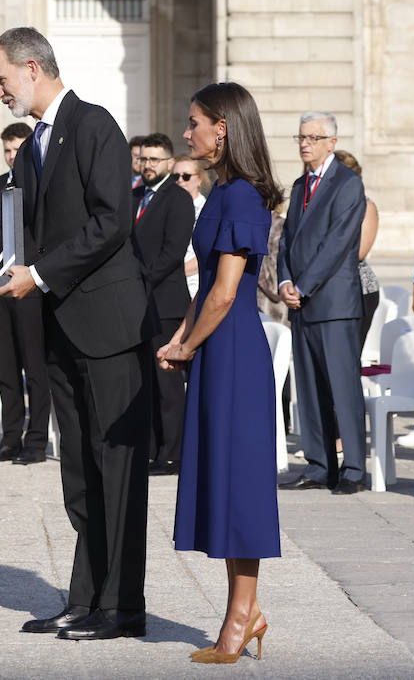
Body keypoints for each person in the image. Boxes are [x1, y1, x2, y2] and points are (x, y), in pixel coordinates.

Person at [0, 27, 151, 641]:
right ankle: (85, 600)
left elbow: (111, 222)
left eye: (0, 79)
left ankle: (123, 607)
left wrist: (40, 273)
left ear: (31, 68)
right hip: (60, 331)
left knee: (117, 467)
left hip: (107, 327)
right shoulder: (29, 153)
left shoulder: (95, 126)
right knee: (79, 469)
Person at [158, 81, 281, 664]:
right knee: (224, 481)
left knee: (240, 486)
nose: (188, 132)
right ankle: (242, 612)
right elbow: (207, 287)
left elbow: (228, 294)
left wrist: (188, 344)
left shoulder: (241, 197)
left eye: (195, 122)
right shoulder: (225, 191)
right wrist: (179, 339)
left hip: (233, 351)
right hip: (216, 347)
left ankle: (241, 618)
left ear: (223, 127)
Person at [276, 111, 367, 495]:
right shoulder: (299, 186)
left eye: (312, 137)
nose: (304, 144)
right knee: (310, 388)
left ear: (332, 142)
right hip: (300, 303)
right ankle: (318, 465)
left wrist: (304, 284)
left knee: (342, 387)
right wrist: (284, 281)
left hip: (333, 303)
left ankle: (354, 469)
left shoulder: (347, 184)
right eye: (300, 137)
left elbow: (338, 244)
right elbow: (285, 239)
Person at [0, 122, 50, 465]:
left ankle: (35, 443)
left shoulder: (42, 186)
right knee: (6, 369)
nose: (11, 157)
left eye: (17, 150)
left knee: (35, 368)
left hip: (30, 290)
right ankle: (9, 439)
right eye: (6, 150)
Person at [131, 132, 196, 477]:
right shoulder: (135, 196)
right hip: (138, 304)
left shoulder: (178, 199)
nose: (148, 165)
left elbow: (173, 253)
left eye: (155, 160)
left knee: (167, 383)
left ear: (169, 163)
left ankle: (173, 453)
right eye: (143, 159)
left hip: (165, 302)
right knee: (146, 383)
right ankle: (154, 449)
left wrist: (137, 282)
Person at [333, 151, 380, 348]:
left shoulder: (365, 205)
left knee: (348, 357)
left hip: (359, 288)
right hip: (327, 290)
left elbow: (358, 252)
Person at [171, 157, 209, 299]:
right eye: (175, 176)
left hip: (193, 284)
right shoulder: (168, 207)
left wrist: (176, 273)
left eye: (186, 176)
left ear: (199, 179)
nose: (180, 180)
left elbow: (206, 255)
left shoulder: (205, 210)